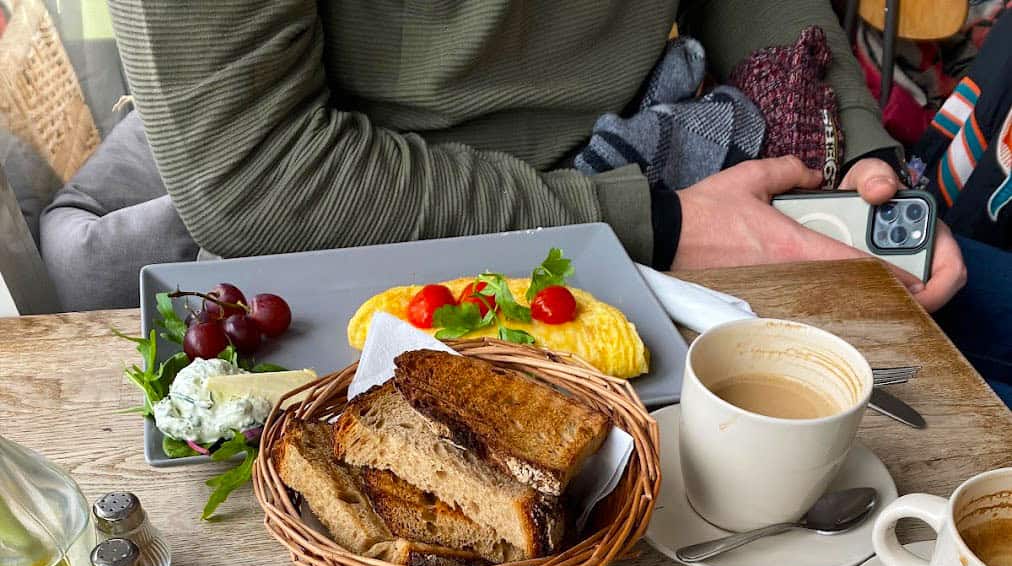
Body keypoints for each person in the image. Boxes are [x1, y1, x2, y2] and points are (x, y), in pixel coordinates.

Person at [42, 0, 964, 311]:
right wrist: (656, 224)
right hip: (360, 278)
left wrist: (856, 158)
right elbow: (255, 177)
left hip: (668, 193)